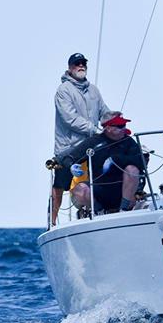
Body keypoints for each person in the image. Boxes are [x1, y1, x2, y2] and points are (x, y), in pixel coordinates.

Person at [50, 53, 110, 225]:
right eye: (77, 63)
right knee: (60, 183)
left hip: (90, 145)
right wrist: (93, 129)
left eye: (83, 63)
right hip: (68, 147)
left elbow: (103, 112)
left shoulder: (93, 90)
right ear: (70, 67)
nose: (81, 66)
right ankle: (52, 222)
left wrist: (114, 123)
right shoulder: (64, 90)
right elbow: (69, 118)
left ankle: (104, 210)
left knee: (104, 170)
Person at [57, 112, 146, 214]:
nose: (124, 129)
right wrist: (71, 166)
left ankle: (124, 210)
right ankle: (99, 212)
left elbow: (141, 162)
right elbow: (69, 158)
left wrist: (114, 160)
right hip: (99, 189)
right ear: (108, 128)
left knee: (132, 169)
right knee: (79, 190)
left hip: (123, 190)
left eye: (124, 125)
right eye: (120, 126)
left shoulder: (129, 142)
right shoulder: (93, 142)